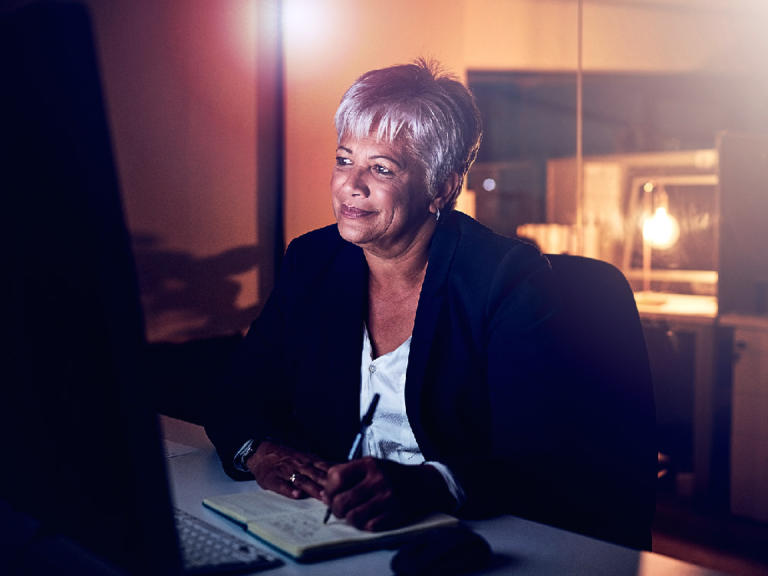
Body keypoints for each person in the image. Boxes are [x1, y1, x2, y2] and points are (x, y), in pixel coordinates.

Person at [205, 58, 654, 548]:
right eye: (343, 159)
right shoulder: (313, 260)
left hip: (480, 535)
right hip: (334, 533)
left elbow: (540, 455)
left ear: (442, 187)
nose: (351, 185)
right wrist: (260, 452)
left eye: (381, 168)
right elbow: (235, 393)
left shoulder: (507, 279)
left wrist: (427, 484)